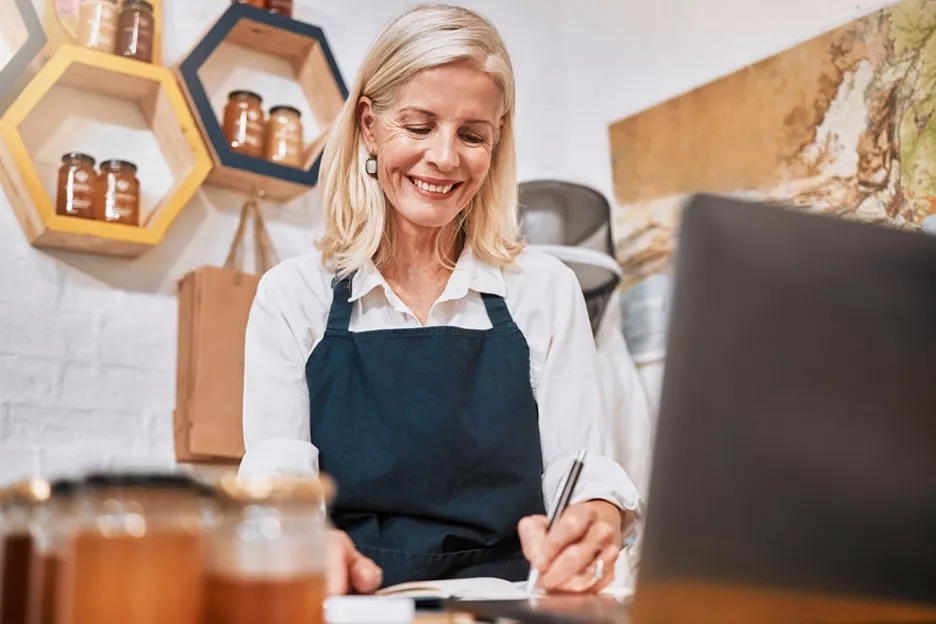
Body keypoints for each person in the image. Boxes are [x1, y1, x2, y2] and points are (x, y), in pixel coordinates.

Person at [238, 2, 641, 597]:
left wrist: (598, 517)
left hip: (512, 598)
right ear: (370, 125)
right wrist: (297, 538)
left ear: (496, 142)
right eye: (419, 126)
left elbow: (579, 470)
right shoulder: (292, 296)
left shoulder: (545, 290)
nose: (445, 158)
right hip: (356, 599)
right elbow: (279, 481)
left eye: (472, 134)